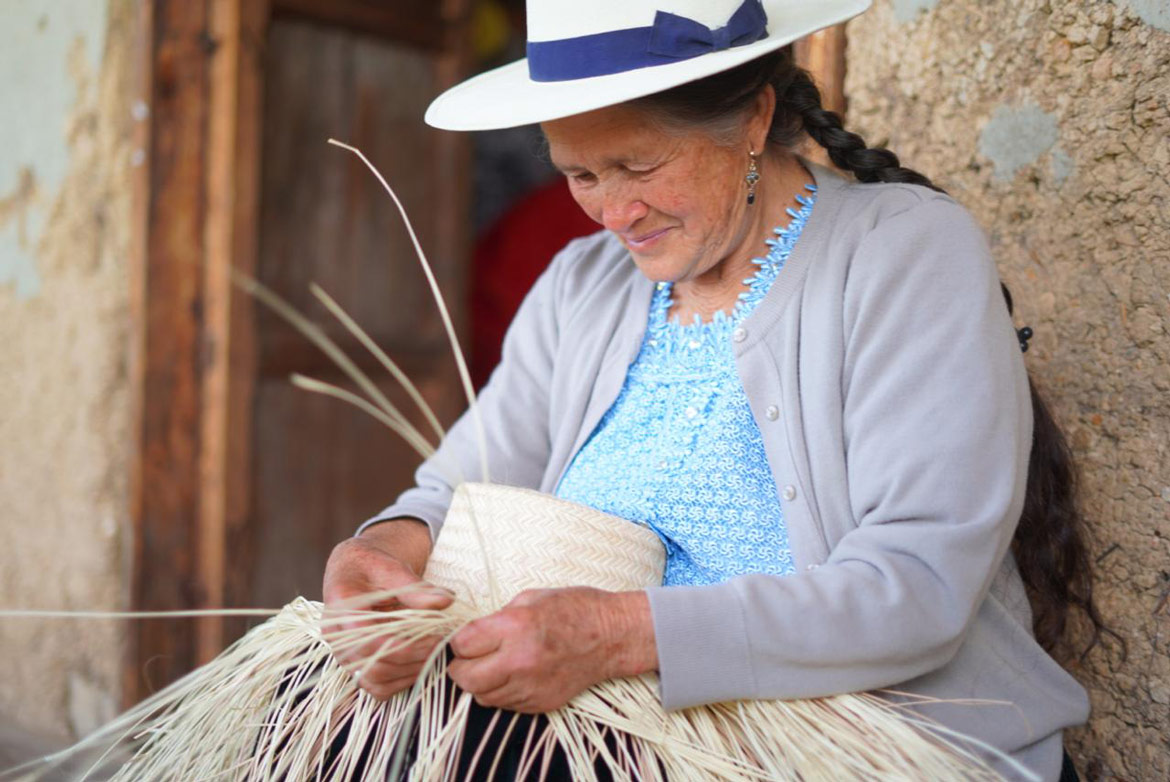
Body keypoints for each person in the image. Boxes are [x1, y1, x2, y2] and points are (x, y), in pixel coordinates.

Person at [322, 1, 1105, 779]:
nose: (614, 213)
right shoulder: (580, 286)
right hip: (630, 734)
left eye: (639, 166)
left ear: (754, 119)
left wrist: (620, 634)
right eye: (581, 174)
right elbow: (461, 487)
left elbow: (917, 588)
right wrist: (384, 552)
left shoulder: (904, 253)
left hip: (865, 745)